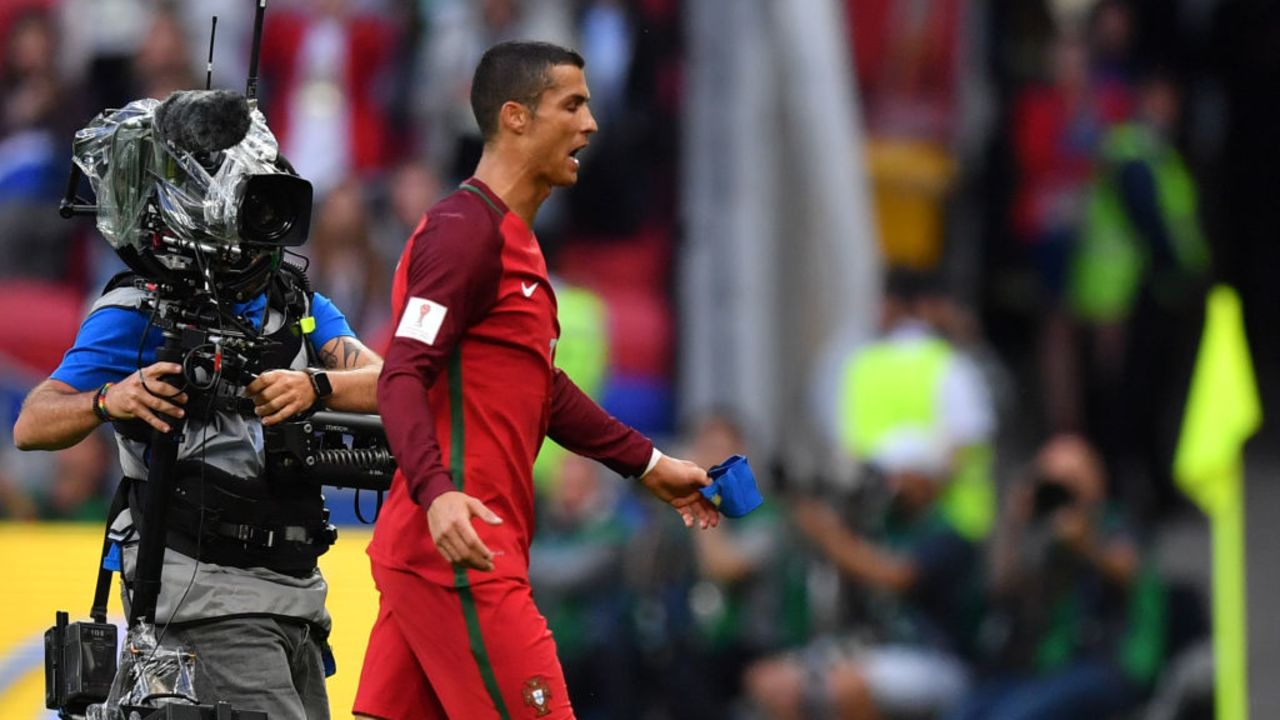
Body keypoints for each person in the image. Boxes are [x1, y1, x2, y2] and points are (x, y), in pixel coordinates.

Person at [353, 40, 718, 720]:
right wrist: (437, 494)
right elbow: (402, 373)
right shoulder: (464, 234)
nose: (591, 124)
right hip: (461, 553)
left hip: (443, 548)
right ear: (516, 117)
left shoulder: (515, 242)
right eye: (573, 105)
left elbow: (539, 388)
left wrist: (649, 464)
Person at [13, 253, 383, 717]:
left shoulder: (298, 304)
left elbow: (391, 382)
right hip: (202, 591)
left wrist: (317, 385)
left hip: (299, 594)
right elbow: (31, 424)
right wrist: (109, 398)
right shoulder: (141, 310)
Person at [745, 429, 980, 720]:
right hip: (877, 649)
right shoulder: (884, 525)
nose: (888, 486)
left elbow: (896, 575)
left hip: (938, 659)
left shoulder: (948, 535)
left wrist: (828, 534)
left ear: (923, 480)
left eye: (897, 476)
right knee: (769, 680)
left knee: (846, 687)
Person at [946, 435, 1166, 720]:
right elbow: (1001, 589)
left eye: (1073, 477)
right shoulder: (1044, 534)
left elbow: (1128, 571)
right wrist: (1016, 524)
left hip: (1112, 663)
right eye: (1054, 479)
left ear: (1096, 478)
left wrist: (1086, 544)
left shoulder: (1118, 521)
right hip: (1050, 668)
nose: (1065, 488)